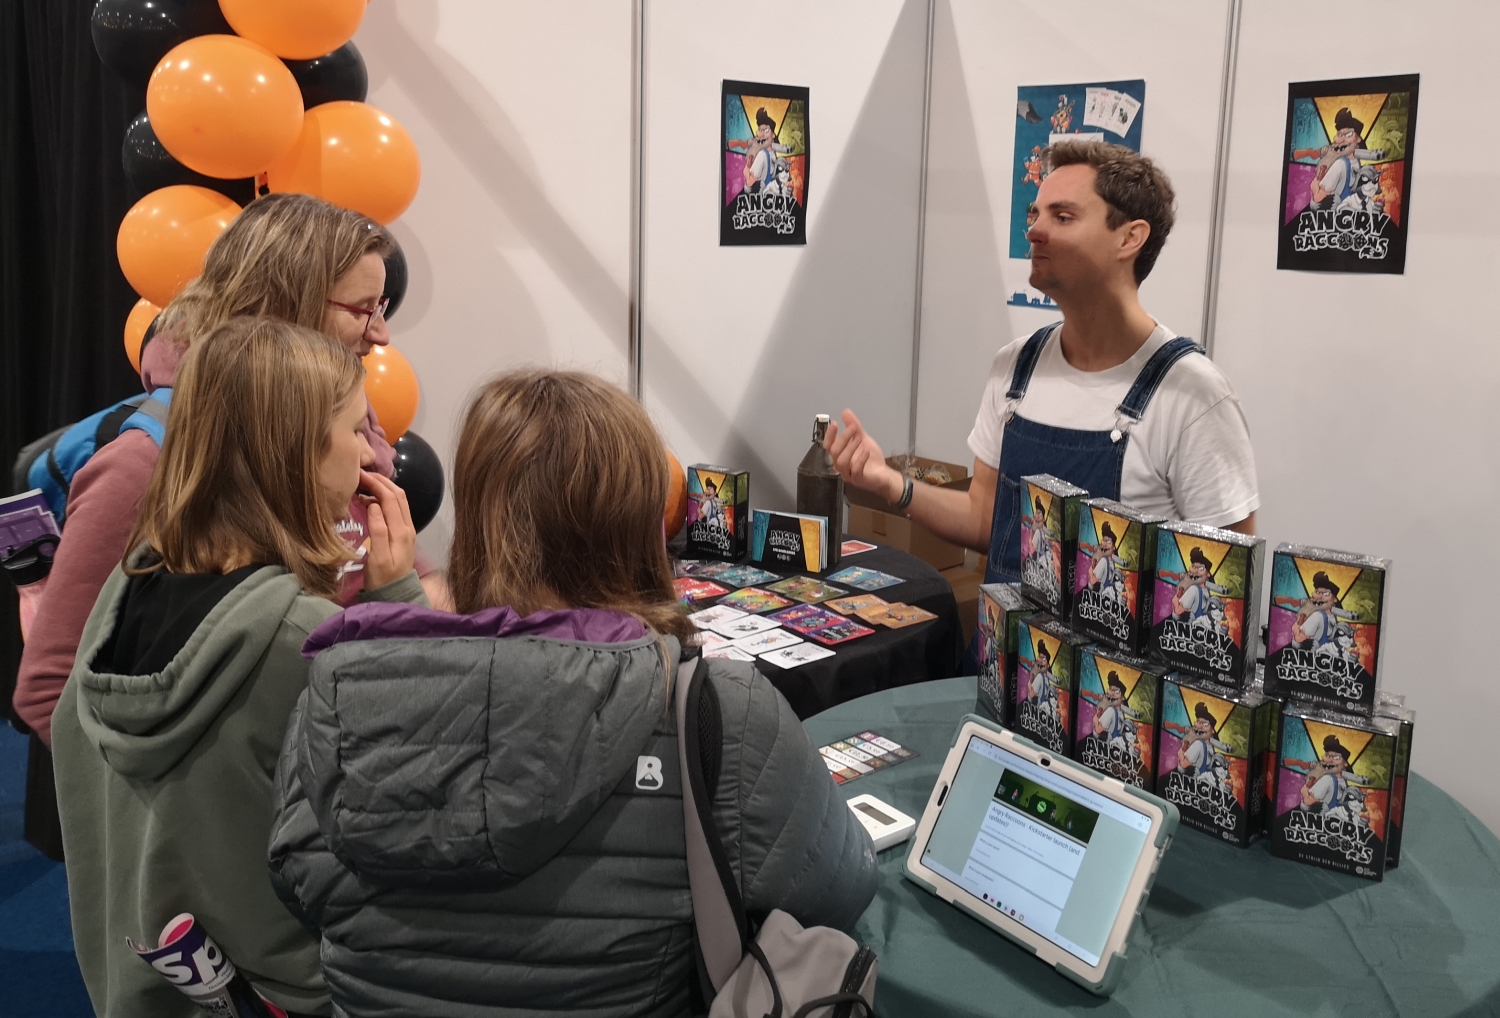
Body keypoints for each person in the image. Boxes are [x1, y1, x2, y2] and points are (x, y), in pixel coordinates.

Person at [269, 370, 877, 1016]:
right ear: (640, 528)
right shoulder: (720, 713)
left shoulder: (335, 707)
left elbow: (297, 887)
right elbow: (842, 888)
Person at [50, 318, 428, 1018]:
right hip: (286, 993)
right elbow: (415, 788)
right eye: (354, 430)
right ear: (297, 453)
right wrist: (398, 601)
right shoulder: (299, 637)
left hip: (138, 985)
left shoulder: (129, 584)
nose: (369, 454)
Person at [14, 192, 447, 747]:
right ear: (285, 303)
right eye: (363, 309)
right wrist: (177, 795)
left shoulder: (345, 425)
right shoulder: (146, 462)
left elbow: (380, 568)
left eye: (381, 306)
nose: (381, 333)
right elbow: (51, 687)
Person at [825, 141, 1258, 592]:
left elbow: (1226, 590)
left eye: (1063, 217)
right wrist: (890, 484)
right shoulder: (1015, 368)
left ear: (1130, 238)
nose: (1034, 231)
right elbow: (986, 519)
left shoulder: (1194, 397)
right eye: (1035, 215)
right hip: (1004, 639)